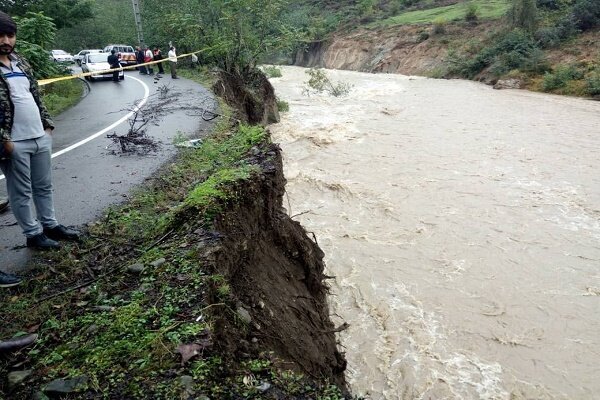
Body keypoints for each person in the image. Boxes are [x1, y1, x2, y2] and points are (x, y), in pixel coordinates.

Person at [0, 11, 80, 250]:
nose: (6, 41)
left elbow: (35, 95)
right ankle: (33, 234)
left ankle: (50, 225)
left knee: (44, 186)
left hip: (39, 136)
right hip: (14, 142)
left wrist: (47, 124)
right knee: (21, 191)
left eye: (10, 35)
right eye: (0, 36)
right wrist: (5, 140)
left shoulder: (20, 61)